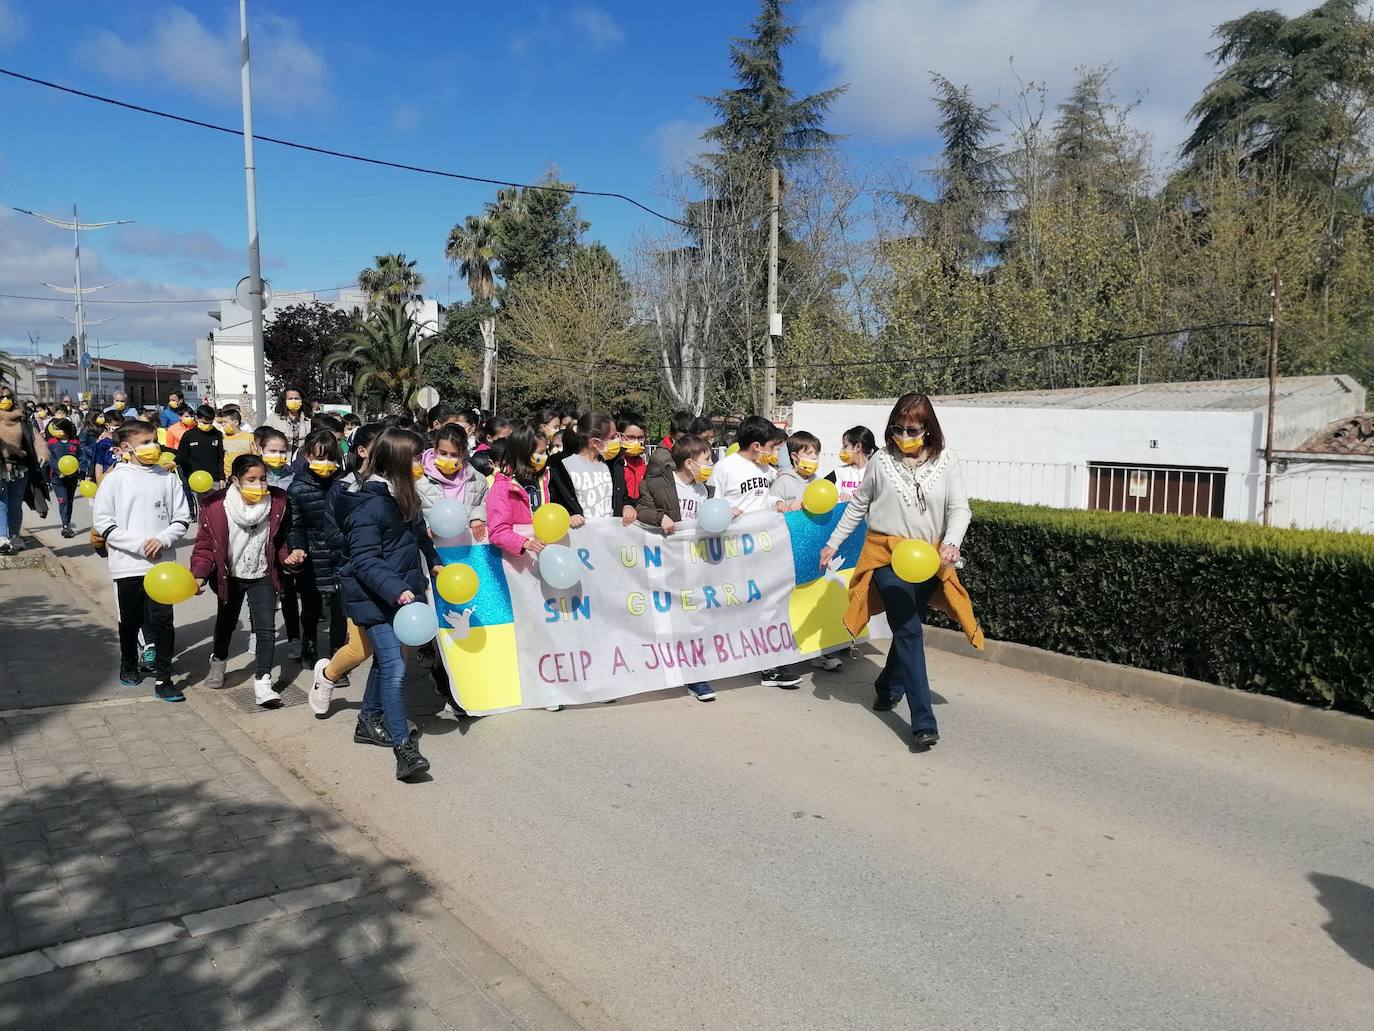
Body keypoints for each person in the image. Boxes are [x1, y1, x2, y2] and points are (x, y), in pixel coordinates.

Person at [819, 393, 971, 750]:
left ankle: (887, 686)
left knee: (907, 631)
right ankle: (923, 720)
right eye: (898, 429)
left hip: (930, 560)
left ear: (928, 430)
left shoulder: (948, 462)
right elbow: (859, 506)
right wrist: (833, 543)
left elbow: (960, 508)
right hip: (885, 557)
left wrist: (951, 541)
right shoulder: (881, 462)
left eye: (912, 429)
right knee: (910, 631)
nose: (905, 436)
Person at [337, 427, 441, 781]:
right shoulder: (370, 504)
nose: (420, 463)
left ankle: (368, 719)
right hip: (375, 597)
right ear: (396, 461)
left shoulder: (405, 496)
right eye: (414, 458)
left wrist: (435, 559)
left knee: (386, 664)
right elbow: (365, 561)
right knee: (395, 669)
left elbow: (417, 535)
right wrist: (396, 589)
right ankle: (404, 749)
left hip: (402, 594)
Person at [192, 455, 302, 707]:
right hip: (229, 576)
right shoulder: (215, 506)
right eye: (251, 479)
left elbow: (281, 539)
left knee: (266, 628)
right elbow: (205, 546)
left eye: (263, 478)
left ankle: (263, 682)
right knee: (226, 623)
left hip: (263, 574)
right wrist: (199, 573)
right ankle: (218, 662)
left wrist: (288, 556)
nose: (259, 485)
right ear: (235, 480)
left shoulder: (278, 502)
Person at [91, 421, 191, 700]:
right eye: (145, 442)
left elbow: (182, 518)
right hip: (128, 564)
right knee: (131, 620)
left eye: (153, 440)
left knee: (163, 621)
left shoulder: (167, 477)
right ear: (126, 448)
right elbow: (103, 522)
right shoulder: (115, 479)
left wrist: (163, 540)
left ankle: (164, 677)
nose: (152, 447)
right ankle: (128, 662)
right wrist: (137, 545)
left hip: (162, 566)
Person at [709, 415, 799, 689]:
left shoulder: (765, 471)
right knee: (739, 606)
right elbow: (711, 505)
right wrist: (727, 512)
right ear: (757, 446)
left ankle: (768, 666)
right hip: (735, 550)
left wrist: (779, 502)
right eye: (772, 447)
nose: (774, 454)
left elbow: (763, 498)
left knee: (767, 605)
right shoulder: (725, 468)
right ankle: (723, 657)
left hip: (765, 548)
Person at [636, 433, 717, 701]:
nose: (711, 463)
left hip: (697, 564)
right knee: (665, 619)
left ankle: (696, 676)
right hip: (665, 563)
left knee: (695, 621)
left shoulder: (707, 490)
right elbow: (641, 510)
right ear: (690, 463)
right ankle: (658, 668)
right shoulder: (658, 485)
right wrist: (661, 517)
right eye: (706, 459)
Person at [309, 422, 382, 714]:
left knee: (394, 653)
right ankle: (327, 677)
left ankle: (379, 712)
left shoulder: (396, 484)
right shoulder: (343, 487)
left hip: (391, 579)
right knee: (360, 649)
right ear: (362, 451)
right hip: (358, 574)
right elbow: (333, 532)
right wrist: (363, 551)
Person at [287, 429, 347, 669]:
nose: (326, 463)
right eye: (319, 457)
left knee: (339, 607)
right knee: (311, 607)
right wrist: (297, 548)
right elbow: (295, 525)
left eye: (330, 458)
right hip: (312, 555)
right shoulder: (297, 488)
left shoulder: (344, 484)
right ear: (308, 456)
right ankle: (309, 643)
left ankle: (337, 655)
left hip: (340, 552)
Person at [255, 426, 302, 657]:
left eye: (283, 451)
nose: (279, 456)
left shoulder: (293, 477)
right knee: (257, 592)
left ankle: (294, 637)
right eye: (273, 451)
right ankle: (257, 631)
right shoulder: (252, 476)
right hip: (257, 542)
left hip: (284, 542)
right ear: (260, 449)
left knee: (287, 592)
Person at [548, 412, 637, 528]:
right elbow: (554, 504)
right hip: (581, 539)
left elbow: (623, 496)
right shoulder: (561, 468)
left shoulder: (613, 464)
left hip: (611, 537)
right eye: (612, 437)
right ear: (595, 443)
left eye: (618, 435)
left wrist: (628, 506)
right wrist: (567, 517)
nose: (618, 440)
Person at [0, 385, 50, 554]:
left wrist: (42, 453)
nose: (4, 401)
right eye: (1, 398)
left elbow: (35, 438)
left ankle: (13, 536)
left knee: (14, 504)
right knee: (2, 503)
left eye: (7, 397)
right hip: (1, 467)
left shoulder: (23, 418)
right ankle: (2, 538)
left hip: (21, 467)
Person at [417, 423, 488, 540]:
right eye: (443, 453)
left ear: (464, 452)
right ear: (435, 449)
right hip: (434, 550)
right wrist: (427, 527)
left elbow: (486, 504)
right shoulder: (420, 481)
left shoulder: (478, 480)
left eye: (454, 455)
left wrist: (477, 517)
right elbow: (412, 515)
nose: (448, 459)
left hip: (466, 550)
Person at [176, 404, 226, 494]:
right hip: (194, 480)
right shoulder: (189, 435)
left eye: (210, 423)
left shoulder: (217, 434)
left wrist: (222, 477)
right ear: (197, 418)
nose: (208, 426)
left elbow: (221, 458)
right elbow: (181, 455)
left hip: (214, 480)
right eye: (205, 423)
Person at [45, 417, 82, 538]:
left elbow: (80, 457)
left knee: (69, 501)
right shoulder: (52, 443)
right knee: (63, 501)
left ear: (66, 430)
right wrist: (58, 469)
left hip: (72, 478)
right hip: (57, 478)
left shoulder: (75, 443)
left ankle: (67, 523)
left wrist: (81, 470)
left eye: (59, 429)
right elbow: (50, 458)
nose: (56, 431)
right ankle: (65, 525)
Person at [771, 430, 822, 512]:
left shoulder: (818, 481)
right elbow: (771, 510)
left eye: (817, 453)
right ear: (794, 456)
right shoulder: (782, 482)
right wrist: (788, 507)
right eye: (809, 453)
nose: (815, 457)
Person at [830, 425, 877, 500]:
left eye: (845, 446)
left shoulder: (876, 472)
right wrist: (838, 496)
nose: (842, 450)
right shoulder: (839, 472)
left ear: (858, 447)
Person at [263, 387, 310, 461]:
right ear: (284, 401)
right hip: (281, 461)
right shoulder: (274, 418)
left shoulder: (308, 419)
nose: (294, 401)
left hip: (302, 462)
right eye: (290, 399)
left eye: (296, 398)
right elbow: (263, 437)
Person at [617, 411, 650, 500]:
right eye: (631, 437)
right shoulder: (615, 463)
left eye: (640, 438)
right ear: (619, 436)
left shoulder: (642, 463)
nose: (636, 442)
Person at [218, 408, 252, 476]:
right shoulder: (222, 437)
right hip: (228, 476)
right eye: (222, 422)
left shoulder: (250, 437)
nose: (223, 424)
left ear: (236, 422)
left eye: (225, 422)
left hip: (245, 475)